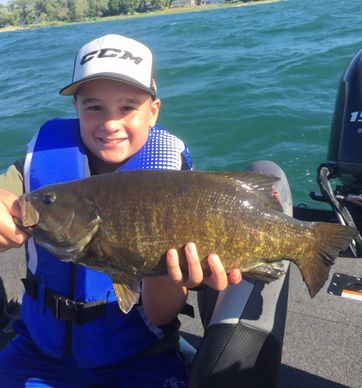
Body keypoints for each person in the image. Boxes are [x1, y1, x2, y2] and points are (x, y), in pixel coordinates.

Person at [0, 34, 242, 387]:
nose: (110, 124)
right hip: (36, 351)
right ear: (76, 108)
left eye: (127, 107)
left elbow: (159, 314)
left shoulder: (174, 182)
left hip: (137, 359)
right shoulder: (39, 168)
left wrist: (166, 274)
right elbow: (8, 195)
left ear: (153, 112)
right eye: (94, 107)